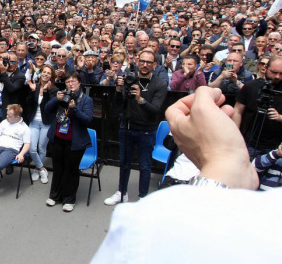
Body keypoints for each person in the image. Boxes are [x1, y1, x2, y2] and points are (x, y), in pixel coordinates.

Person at [93, 87, 276, 263]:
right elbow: (168, 143)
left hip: (192, 187)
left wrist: (225, 161)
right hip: (178, 178)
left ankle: (141, 195)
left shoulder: (143, 222)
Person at [105, 50, 168, 205]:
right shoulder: (129, 78)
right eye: (142, 61)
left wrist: (140, 99)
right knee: (124, 162)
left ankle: (143, 198)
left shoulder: (160, 83)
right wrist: (119, 90)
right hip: (126, 126)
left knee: (145, 165)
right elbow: (118, 105)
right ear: (137, 62)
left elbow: (156, 110)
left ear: (154, 65)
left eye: (149, 62)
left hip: (147, 130)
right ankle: (122, 192)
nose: (145, 65)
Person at [43, 72, 94, 212]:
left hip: (75, 141)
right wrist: (56, 100)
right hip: (58, 138)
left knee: (71, 170)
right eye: (68, 82)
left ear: (79, 82)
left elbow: (87, 120)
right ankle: (54, 196)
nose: (70, 84)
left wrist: (74, 109)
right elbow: (47, 110)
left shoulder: (86, 100)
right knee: (58, 168)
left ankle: (69, 199)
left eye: (73, 81)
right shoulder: (61, 95)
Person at [232, 56, 282, 155]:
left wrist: (280, 117)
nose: (277, 77)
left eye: (281, 74)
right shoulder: (251, 86)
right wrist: (235, 136)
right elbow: (237, 111)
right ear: (265, 68)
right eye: (274, 72)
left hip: (275, 146)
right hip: (248, 142)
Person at [24, 65, 58, 184]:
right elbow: (28, 104)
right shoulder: (34, 86)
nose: (45, 74)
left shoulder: (54, 90)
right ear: (41, 73)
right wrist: (34, 91)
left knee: (42, 148)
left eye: (49, 73)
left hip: (46, 123)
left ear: (51, 76)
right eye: (44, 72)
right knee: (32, 148)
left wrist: (45, 92)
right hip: (33, 122)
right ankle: (41, 168)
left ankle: (36, 169)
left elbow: (49, 107)